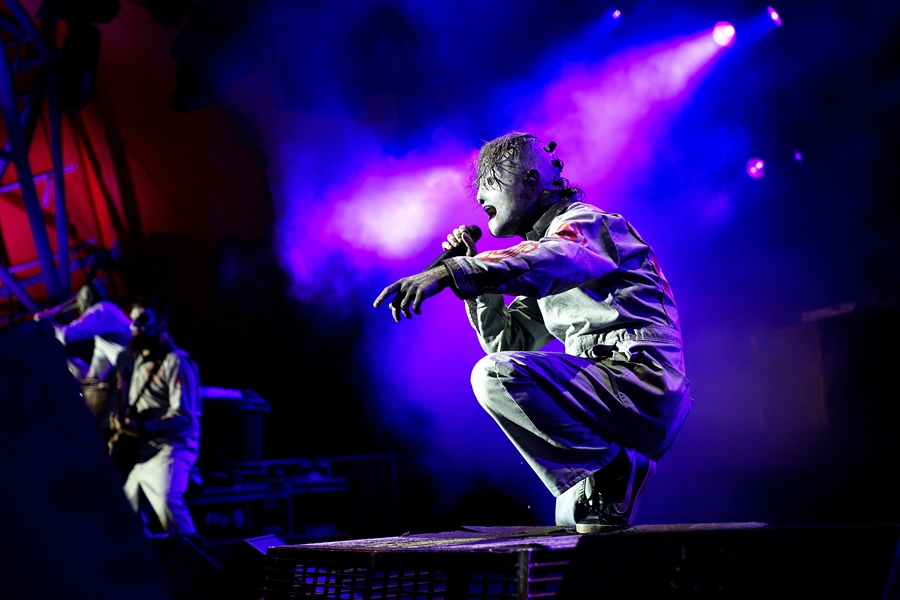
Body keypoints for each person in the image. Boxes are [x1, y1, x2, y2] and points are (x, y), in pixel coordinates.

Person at [374, 132, 692, 532]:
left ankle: (615, 469)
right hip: (608, 396)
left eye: (490, 180)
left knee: (492, 375)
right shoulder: (549, 259)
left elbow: (549, 260)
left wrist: (450, 273)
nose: (478, 197)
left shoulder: (587, 224)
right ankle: (613, 484)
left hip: (641, 383)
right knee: (571, 518)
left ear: (531, 179)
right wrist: (476, 281)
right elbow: (508, 343)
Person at [109, 297, 202, 535]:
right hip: (145, 453)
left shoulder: (177, 362)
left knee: (168, 502)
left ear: (160, 322)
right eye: (132, 320)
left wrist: (140, 428)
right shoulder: (137, 363)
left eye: (142, 319)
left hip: (172, 448)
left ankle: (195, 565)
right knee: (123, 514)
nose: (134, 326)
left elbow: (184, 416)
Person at [36, 281, 132, 383]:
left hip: (136, 368)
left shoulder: (102, 310)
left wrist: (45, 322)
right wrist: (89, 384)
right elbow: (97, 372)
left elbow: (67, 335)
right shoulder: (106, 323)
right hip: (133, 370)